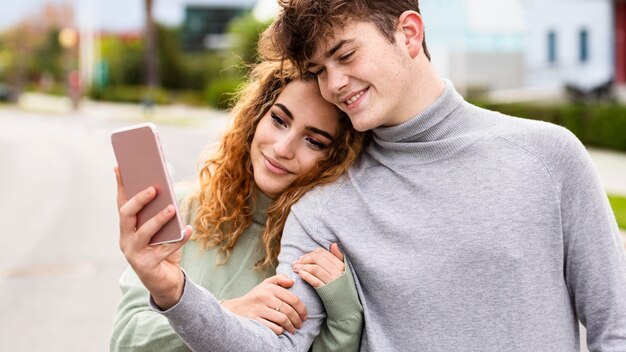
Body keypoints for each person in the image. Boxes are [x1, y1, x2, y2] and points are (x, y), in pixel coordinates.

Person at [121, 1, 626, 351]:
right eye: (319, 69)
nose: (334, 84)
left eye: (345, 55)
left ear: (409, 33)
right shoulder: (322, 204)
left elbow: (615, 327)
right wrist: (173, 291)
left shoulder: (548, 156)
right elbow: (275, 345)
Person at [110, 60, 367, 351]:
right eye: (279, 120)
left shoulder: (318, 249)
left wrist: (346, 315)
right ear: (256, 117)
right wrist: (228, 311)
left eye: (313, 141)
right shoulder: (184, 208)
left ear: (337, 158)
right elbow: (126, 340)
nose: (282, 148)